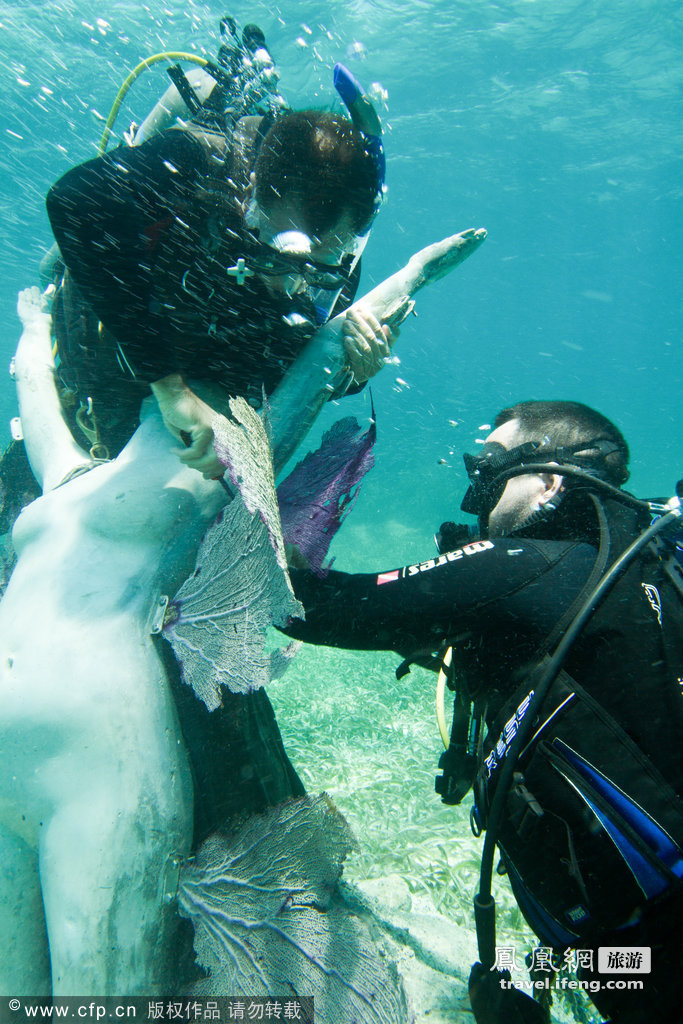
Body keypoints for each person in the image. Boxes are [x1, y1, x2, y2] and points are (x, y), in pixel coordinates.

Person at [283, 399, 683, 1024]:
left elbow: (321, 608)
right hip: (644, 938)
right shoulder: (643, 568)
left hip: (652, 947)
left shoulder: (528, 566)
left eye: (491, 477)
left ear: (550, 481)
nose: (477, 500)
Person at [46, 47, 392, 471]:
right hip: (132, 344)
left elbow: (297, 362)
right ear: (249, 199)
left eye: (319, 267)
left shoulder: (337, 266)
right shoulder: (197, 162)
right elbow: (73, 202)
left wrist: (354, 369)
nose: (294, 285)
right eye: (280, 257)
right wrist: (171, 390)